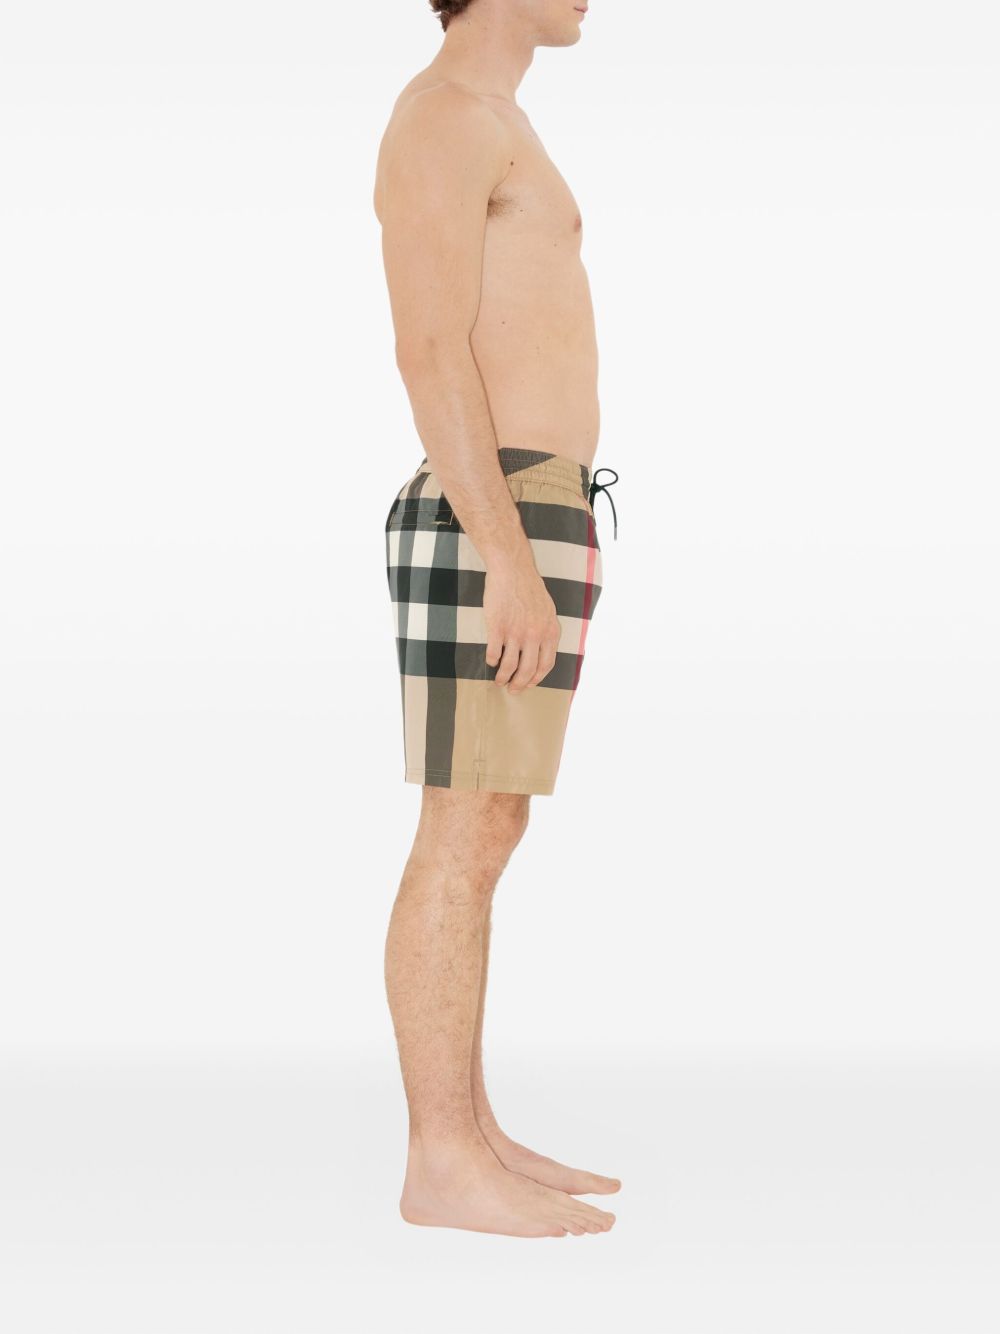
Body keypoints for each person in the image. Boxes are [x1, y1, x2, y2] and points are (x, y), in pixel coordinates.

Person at [373, 0, 620, 1239]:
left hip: (533, 507)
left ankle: (471, 1129)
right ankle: (440, 1160)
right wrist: (505, 553)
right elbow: (429, 352)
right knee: (460, 830)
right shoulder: (443, 117)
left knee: (491, 822)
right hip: (495, 512)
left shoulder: (498, 121)